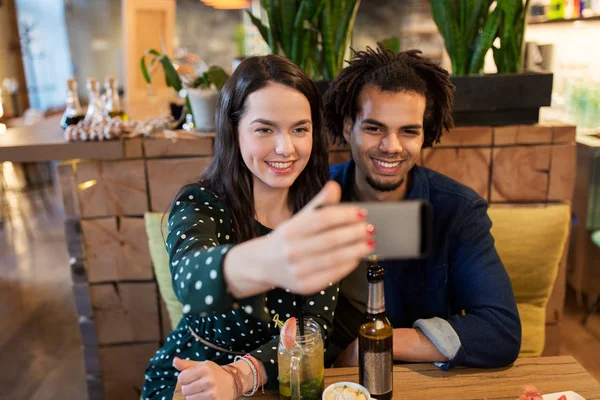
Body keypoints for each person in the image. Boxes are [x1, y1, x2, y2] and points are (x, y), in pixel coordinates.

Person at [141, 55, 374, 400]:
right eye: (264, 129)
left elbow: (316, 329)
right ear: (234, 132)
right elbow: (190, 281)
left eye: (300, 129)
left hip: (280, 377)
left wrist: (239, 376)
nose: (286, 148)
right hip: (193, 377)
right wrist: (267, 257)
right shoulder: (199, 204)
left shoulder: (315, 211)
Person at [323, 44, 522, 370]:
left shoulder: (456, 211)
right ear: (348, 127)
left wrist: (375, 342)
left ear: (424, 135)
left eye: (408, 131)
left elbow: (500, 330)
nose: (391, 147)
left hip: (416, 382)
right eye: (374, 128)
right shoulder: (311, 198)